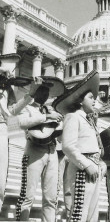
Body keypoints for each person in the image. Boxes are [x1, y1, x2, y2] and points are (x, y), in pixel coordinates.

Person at [53, 70, 107, 222]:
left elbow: (94, 146)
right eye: (90, 98)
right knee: (79, 213)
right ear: (80, 101)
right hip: (82, 169)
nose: (94, 101)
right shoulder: (73, 117)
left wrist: (100, 163)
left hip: (94, 167)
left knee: (92, 214)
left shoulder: (88, 121)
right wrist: (86, 164)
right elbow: (68, 146)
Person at [0, 53, 47, 213]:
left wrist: (30, 93)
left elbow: (11, 114)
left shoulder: (5, 89)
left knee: (0, 184)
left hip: (2, 132)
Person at [15, 77, 65, 222]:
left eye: (47, 90)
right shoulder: (27, 107)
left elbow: (60, 136)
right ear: (34, 90)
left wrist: (60, 123)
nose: (45, 92)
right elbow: (20, 123)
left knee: (51, 198)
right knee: (27, 196)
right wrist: (46, 116)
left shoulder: (52, 109)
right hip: (34, 151)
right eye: (41, 89)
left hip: (52, 151)